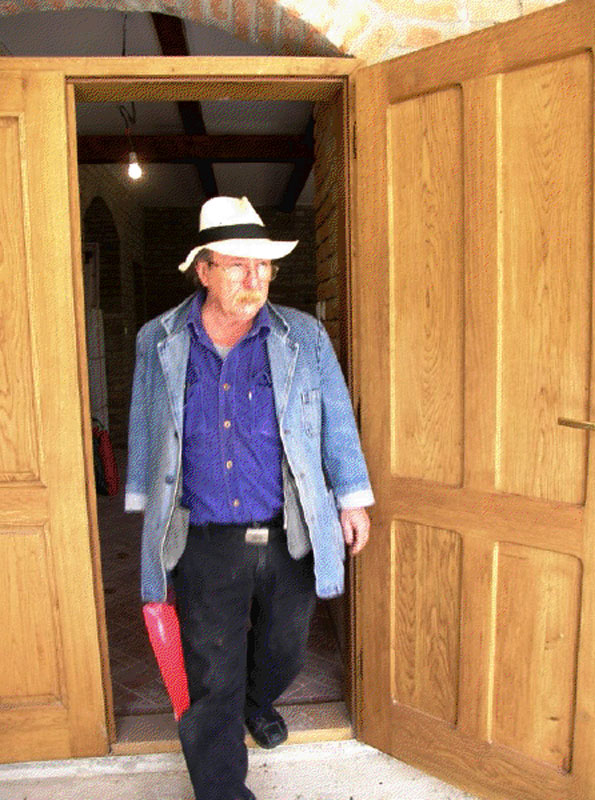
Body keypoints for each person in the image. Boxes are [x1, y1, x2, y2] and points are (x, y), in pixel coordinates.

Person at [125, 196, 374, 800]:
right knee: (212, 670)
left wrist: (351, 498)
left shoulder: (303, 337)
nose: (255, 278)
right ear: (204, 270)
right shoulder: (159, 339)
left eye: (264, 266)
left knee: (285, 650)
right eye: (238, 265)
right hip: (204, 536)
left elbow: (336, 420)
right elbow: (146, 421)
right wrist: (144, 506)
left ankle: (256, 702)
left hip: (288, 527)